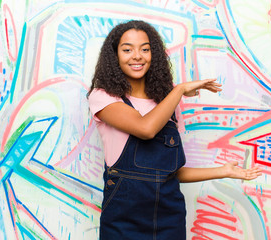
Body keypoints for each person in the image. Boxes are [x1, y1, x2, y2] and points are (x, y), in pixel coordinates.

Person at [87, 20, 262, 240]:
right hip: (124, 217)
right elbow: (145, 129)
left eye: (145, 49)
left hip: (169, 217)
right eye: (127, 49)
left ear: (154, 55)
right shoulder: (104, 97)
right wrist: (178, 90)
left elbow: (169, 172)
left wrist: (223, 171)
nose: (137, 56)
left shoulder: (166, 105)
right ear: (114, 56)